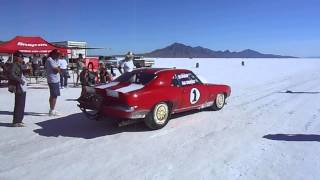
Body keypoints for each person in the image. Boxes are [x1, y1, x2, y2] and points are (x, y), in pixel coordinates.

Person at [7, 51, 27, 127]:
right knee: (19, 103)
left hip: (20, 86)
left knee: (21, 103)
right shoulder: (14, 64)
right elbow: (12, 74)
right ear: (16, 57)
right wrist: (20, 80)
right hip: (18, 86)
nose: (22, 58)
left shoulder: (18, 64)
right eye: (21, 57)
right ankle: (16, 121)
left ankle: (19, 120)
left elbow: (19, 72)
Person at [45, 49, 61, 116]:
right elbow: (56, 70)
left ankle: (52, 109)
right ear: (53, 54)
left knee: (53, 95)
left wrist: (58, 68)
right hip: (53, 80)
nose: (58, 56)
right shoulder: (50, 60)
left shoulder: (55, 60)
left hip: (55, 80)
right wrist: (58, 68)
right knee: (54, 95)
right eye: (57, 54)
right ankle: (52, 110)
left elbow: (58, 68)